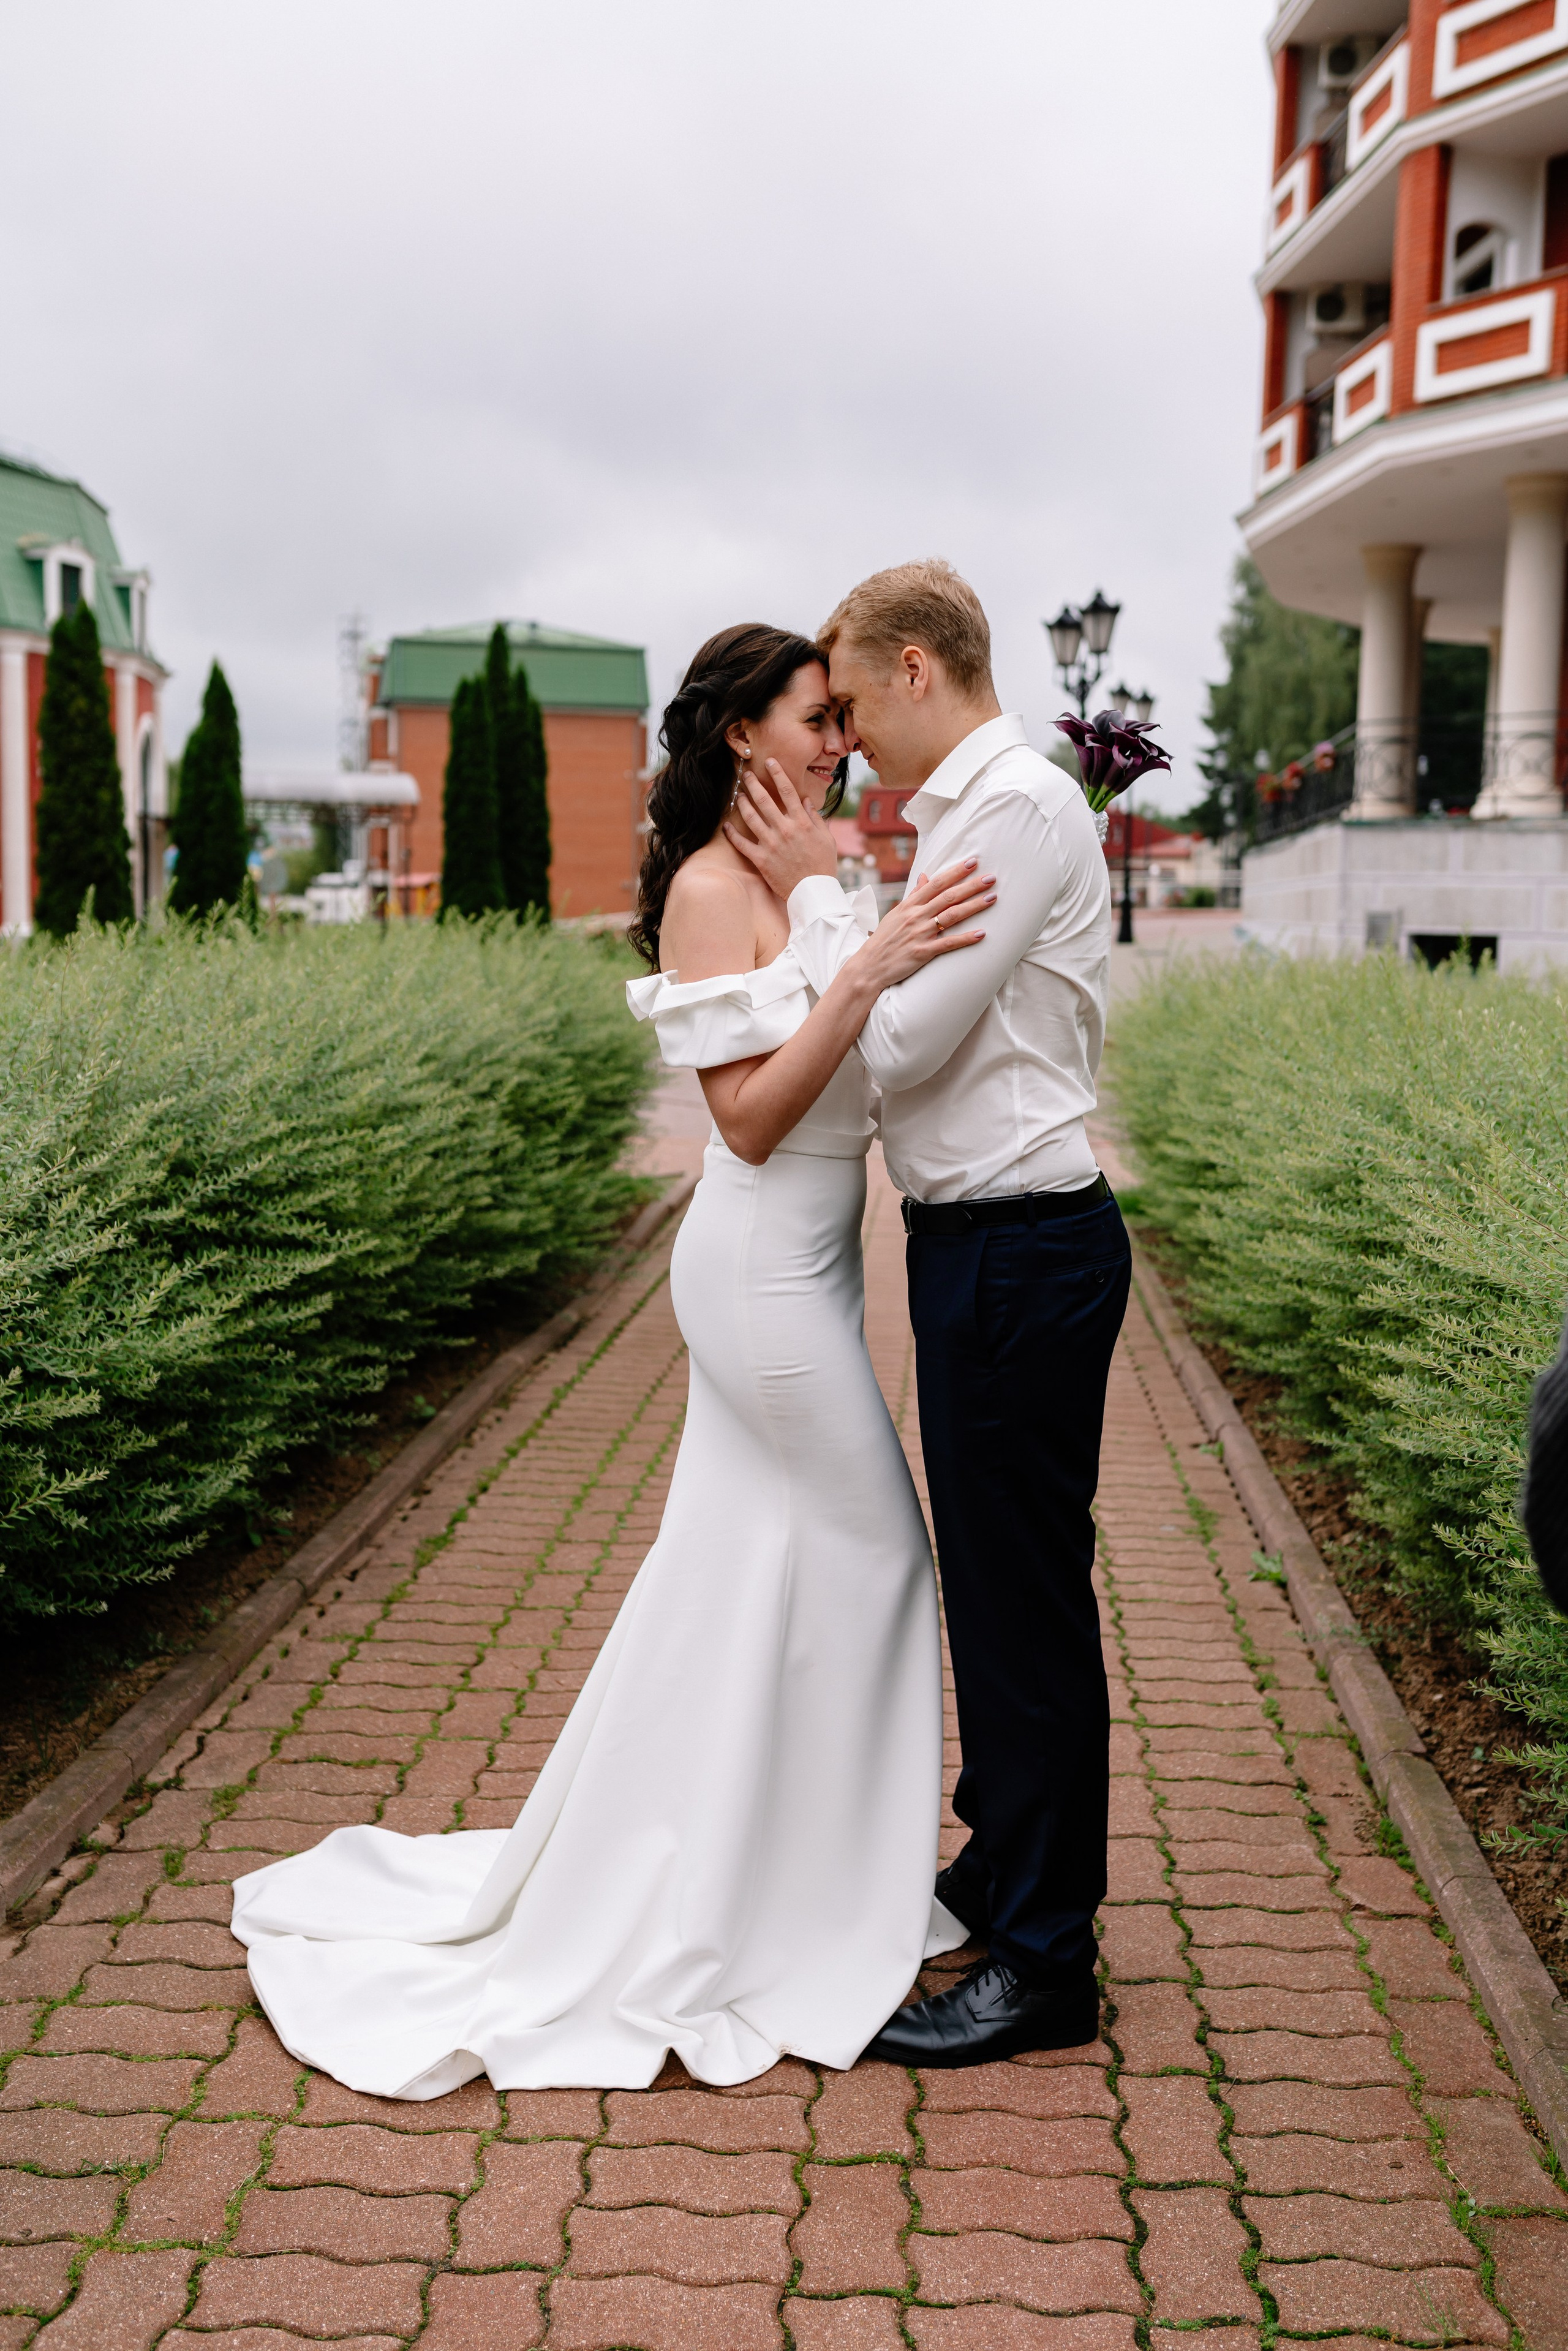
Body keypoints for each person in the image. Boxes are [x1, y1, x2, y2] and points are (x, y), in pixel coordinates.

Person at [228, 622, 993, 2094]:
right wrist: (858, 963)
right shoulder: (710, 889)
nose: (838, 741)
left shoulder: (799, 869)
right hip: (759, 1274)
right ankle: (821, 1899)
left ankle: (764, 1872)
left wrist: (851, 925)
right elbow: (747, 1121)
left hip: (813, 1266)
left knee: (742, 1574)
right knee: (884, 1560)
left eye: (840, 719)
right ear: (741, 734)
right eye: (814, 717)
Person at [727, 559, 1129, 2066]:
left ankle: (1044, 1960)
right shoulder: (968, 816)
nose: (841, 739)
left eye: (845, 705)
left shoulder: (1015, 807)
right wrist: (849, 917)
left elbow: (896, 1043)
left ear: (914, 667)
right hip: (982, 1247)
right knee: (996, 1587)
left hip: (1022, 1245)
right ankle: (1005, 1870)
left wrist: (813, 892)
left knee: (1020, 1606)